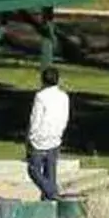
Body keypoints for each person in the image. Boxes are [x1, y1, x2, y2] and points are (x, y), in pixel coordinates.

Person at [26, 65, 70, 202]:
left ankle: (51, 192)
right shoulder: (64, 96)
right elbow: (65, 116)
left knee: (33, 170)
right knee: (50, 171)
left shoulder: (40, 97)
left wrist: (30, 135)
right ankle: (48, 200)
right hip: (55, 137)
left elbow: (36, 118)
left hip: (39, 138)